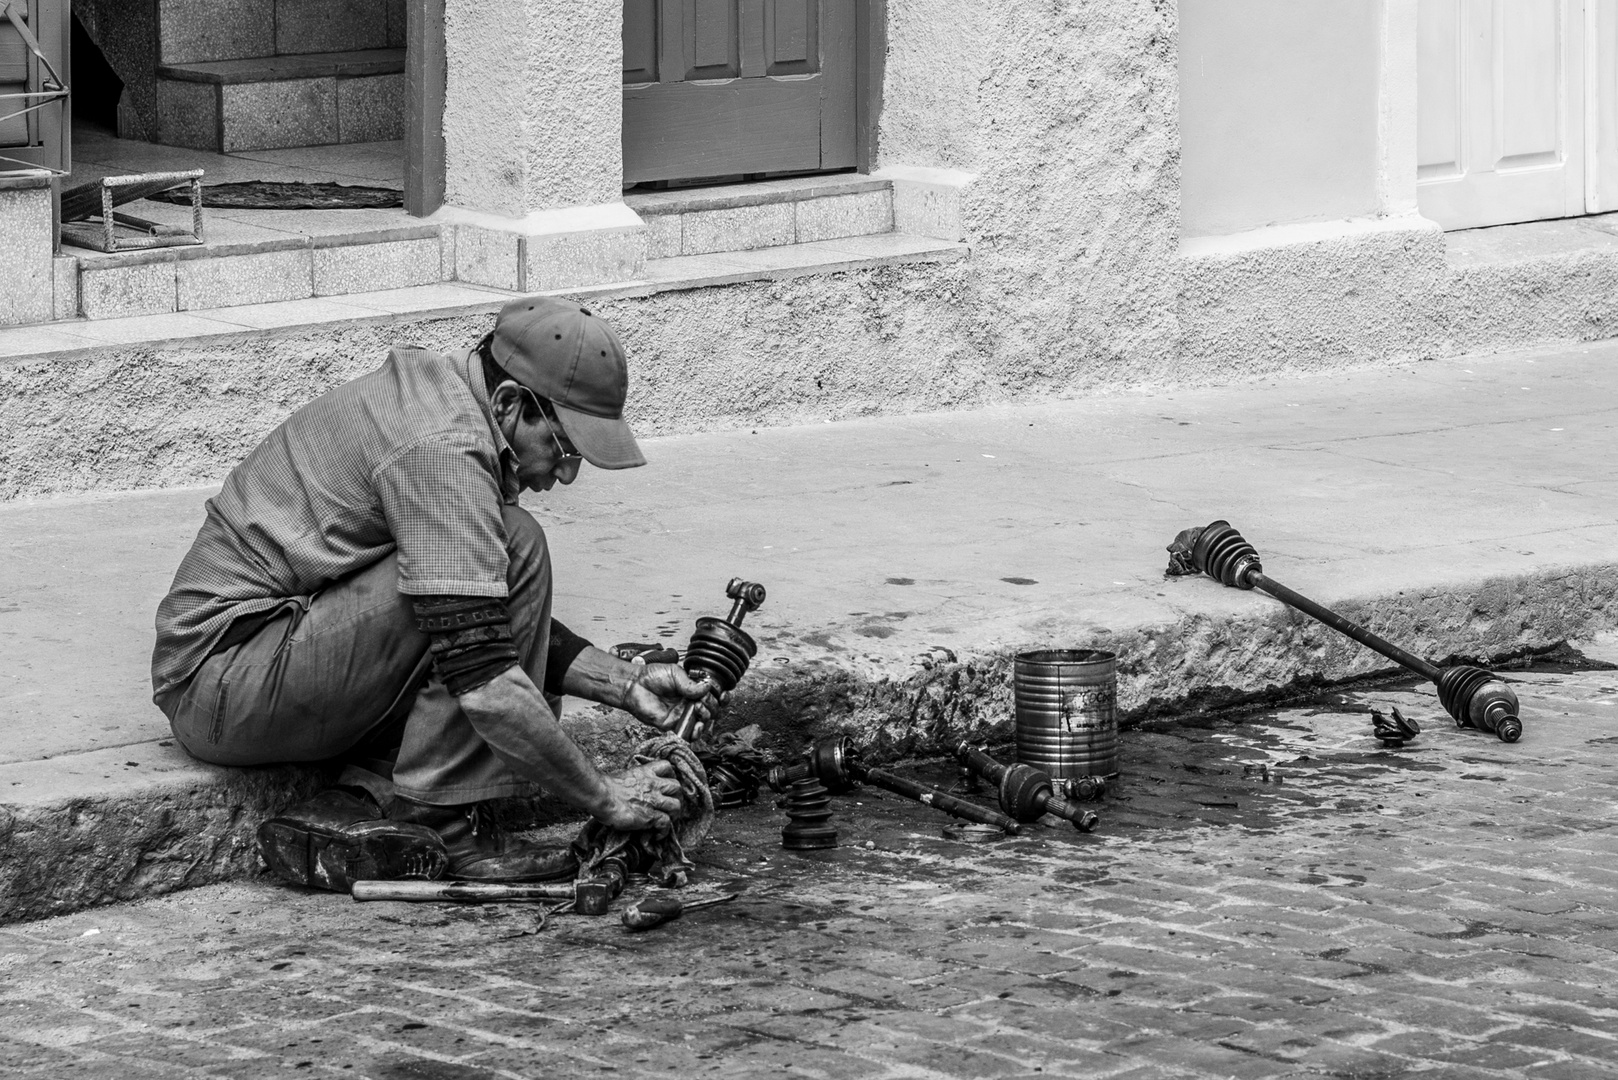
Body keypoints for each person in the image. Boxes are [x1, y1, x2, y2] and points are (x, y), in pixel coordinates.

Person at [151, 296, 717, 885]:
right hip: (221, 684)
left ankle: (378, 792)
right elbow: (484, 671)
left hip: (262, 662)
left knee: (491, 574)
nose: (567, 473)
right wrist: (604, 796)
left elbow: (471, 610)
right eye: (564, 446)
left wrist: (624, 682)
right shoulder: (442, 449)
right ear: (508, 404)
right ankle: (445, 821)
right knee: (517, 543)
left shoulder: (446, 401)